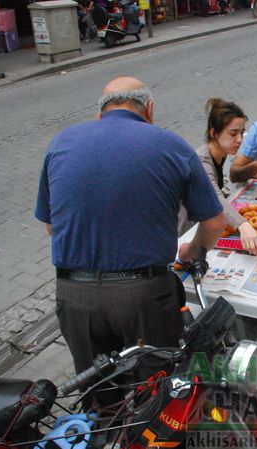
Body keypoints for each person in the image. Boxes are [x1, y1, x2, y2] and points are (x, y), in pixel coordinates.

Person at [35, 77, 226, 405]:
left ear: (100, 114)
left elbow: (53, 227)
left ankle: (107, 429)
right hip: (144, 296)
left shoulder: (61, 142)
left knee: (97, 392)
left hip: (74, 295)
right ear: (149, 110)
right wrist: (193, 251)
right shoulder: (172, 145)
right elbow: (214, 222)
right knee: (155, 394)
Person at [178, 98, 257, 255]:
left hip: (203, 225)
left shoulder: (220, 154)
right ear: (213, 133)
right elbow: (214, 195)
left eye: (241, 132)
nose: (239, 139)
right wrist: (243, 226)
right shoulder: (202, 160)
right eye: (233, 134)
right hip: (187, 235)